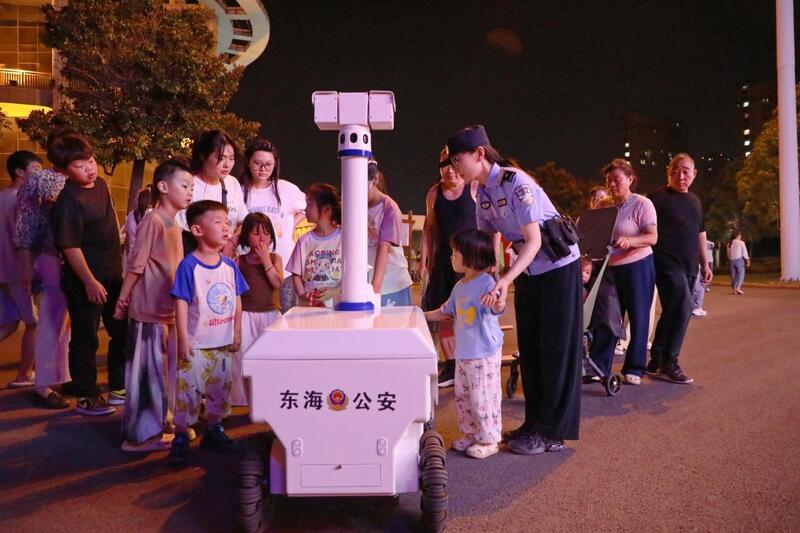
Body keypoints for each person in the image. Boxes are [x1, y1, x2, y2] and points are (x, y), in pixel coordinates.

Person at [446, 125, 582, 456]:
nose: (453, 168)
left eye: (457, 160)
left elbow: (534, 239)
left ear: (479, 154)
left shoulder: (516, 182)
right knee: (531, 348)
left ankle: (553, 432)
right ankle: (534, 423)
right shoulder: (480, 194)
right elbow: (487, 242)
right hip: (529, 269)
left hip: (557, 267)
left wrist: (505, 280)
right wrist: (487, 279)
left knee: (555, 350)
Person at [113, 159, 193, 451]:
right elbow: (137, 264)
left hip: (167, 311)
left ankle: (162, 424)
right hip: (149, 312)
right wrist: (122, 300)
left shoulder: (174, 223)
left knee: (164, 373)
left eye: (191, 187)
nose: (190, 192)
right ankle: (139, 437)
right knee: (146, 375)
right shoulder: (154, 220)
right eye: (184, 186)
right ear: (163, 186)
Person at [51, 134, 127, 415]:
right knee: (86, 337)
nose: (89, 168)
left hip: (112, 274)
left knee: (121, 330)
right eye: (80, 165)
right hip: (85, 281)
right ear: (63, 171)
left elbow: (111, 220)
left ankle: (119, 388)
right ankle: (87, 396)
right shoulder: (68, 201)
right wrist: (89, 281)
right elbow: (69, 246)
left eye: (91, 161)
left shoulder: (102, 185)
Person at [169, 200, 248, 464]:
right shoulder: (188, 265)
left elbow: (237, 300)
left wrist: (236, 332)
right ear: (197, 230)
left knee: (220, 390)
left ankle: (214, 429)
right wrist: (182, 337)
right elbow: (180, 301)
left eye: (227, 223)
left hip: (222, 343)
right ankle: (181, 434)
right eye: (218, 222)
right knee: (188, 391)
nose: (226, 228)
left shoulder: (230, 266)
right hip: (196, 343)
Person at [424, 229, 505, 459]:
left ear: (469, 257)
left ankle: (489, 439)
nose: (451, 257)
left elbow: (498, 307)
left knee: (483, 396)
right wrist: (421, 315)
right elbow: (446, 311)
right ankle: (471, 433)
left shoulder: (486, 282)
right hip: (465, 352)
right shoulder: (460, 286)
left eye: (454, 253)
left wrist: (496, 303)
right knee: (464, 395)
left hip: (484, 352)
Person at [13, 131, 73, 409]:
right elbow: (26, 224)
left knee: (72, 324)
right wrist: (26, 265)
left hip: (81, 260)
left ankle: (66, 376)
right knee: (51, 322)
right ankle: (44, 385)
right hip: (52, 258)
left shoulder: (86, 178)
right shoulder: (40, 180)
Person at [589, 159, 657, 385]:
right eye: (608, 181)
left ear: (630, 179)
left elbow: (652, 237)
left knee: (638, 315)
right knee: (606, 317)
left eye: (616, 179)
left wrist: (630, 240)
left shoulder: (642, 204)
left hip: (637, 265)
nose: (612, 185)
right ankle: (598, 365)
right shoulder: (604, 205)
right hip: (609, 267)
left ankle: (635, 367)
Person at [646, 153, 712, 384]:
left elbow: (700, 233)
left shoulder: (695, 201)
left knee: (673, 310)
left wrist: (705, 263)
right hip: (664, 262)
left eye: (686, 171)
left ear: (694, 175)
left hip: (690, 265)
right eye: (676, 170)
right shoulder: (655, 198)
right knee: (684, 308)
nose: (681, 175)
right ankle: (670, 362)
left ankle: (656, 358)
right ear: (668, 172)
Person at [419, 149, 478, 388]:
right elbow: (429, 229)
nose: (449, 170)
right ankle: (451, 366)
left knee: (472, 314)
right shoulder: (434, 194)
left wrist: (492, 257)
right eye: (444, 165)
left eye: (453, 164)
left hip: (473, 264)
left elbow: (489, 225)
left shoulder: (473, 188)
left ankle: (473, 363)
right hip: (444, 261)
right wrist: (424, 260)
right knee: (444, 313)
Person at [240, 139, 306, 312]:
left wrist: (289, 225)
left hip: (283, 269)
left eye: (269, 164)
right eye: (258, 163)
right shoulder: (238, 192)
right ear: (248, 163)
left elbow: (308, 209)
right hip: (249, 268)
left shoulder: (286, 189)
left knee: (284, 319)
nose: (263, 168)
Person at [233, 212, 284, 406]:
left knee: (270, 357)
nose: (262, 237)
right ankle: (241, 399)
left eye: (266, 233)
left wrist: (266, 261)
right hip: (245, 314)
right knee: (242, 357)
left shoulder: (275, 258)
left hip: (270, 314)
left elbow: (278, 283)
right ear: (246, 236)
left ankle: (270, 396)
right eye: (255, 233)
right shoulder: (240, 261)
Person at [2, 151, 42, 389]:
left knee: (7, 323)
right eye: (35, 170)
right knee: (34, 322)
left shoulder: (2, 197)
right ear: (20, 172)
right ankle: (23, 375)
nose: (39, 175)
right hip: (20, 272)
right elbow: (27, 240)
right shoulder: (22, 200)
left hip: (4, 272)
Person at [176, 130, 248, 256]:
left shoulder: (232, 184)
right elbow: (176, 229)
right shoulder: (188, 184)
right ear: (203, 156)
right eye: (221, 158)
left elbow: (243, 221)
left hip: (224, 260)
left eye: (231, 159)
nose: (227, 165)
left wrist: (231, 243)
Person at [286, 184, 343, 308]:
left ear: (326, 209)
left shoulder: (344, 238)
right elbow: (296, 274)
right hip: (309, 307)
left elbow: (354, 274)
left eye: (310, 204)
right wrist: (302, 294)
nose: (305, 209)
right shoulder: (304, 240)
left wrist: (335, 290)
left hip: (336, 306)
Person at [366, 160, 413, 306]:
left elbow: (383, 248)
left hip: (391, 285)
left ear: (376, 179)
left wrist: (374, 290)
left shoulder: (389, 208)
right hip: (366, 284)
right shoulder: (353, 206)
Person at [122, 186, 155, 274]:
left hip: (132, 257)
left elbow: (128, 240)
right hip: (147, 261)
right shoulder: (153, 215)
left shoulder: (131, 215)